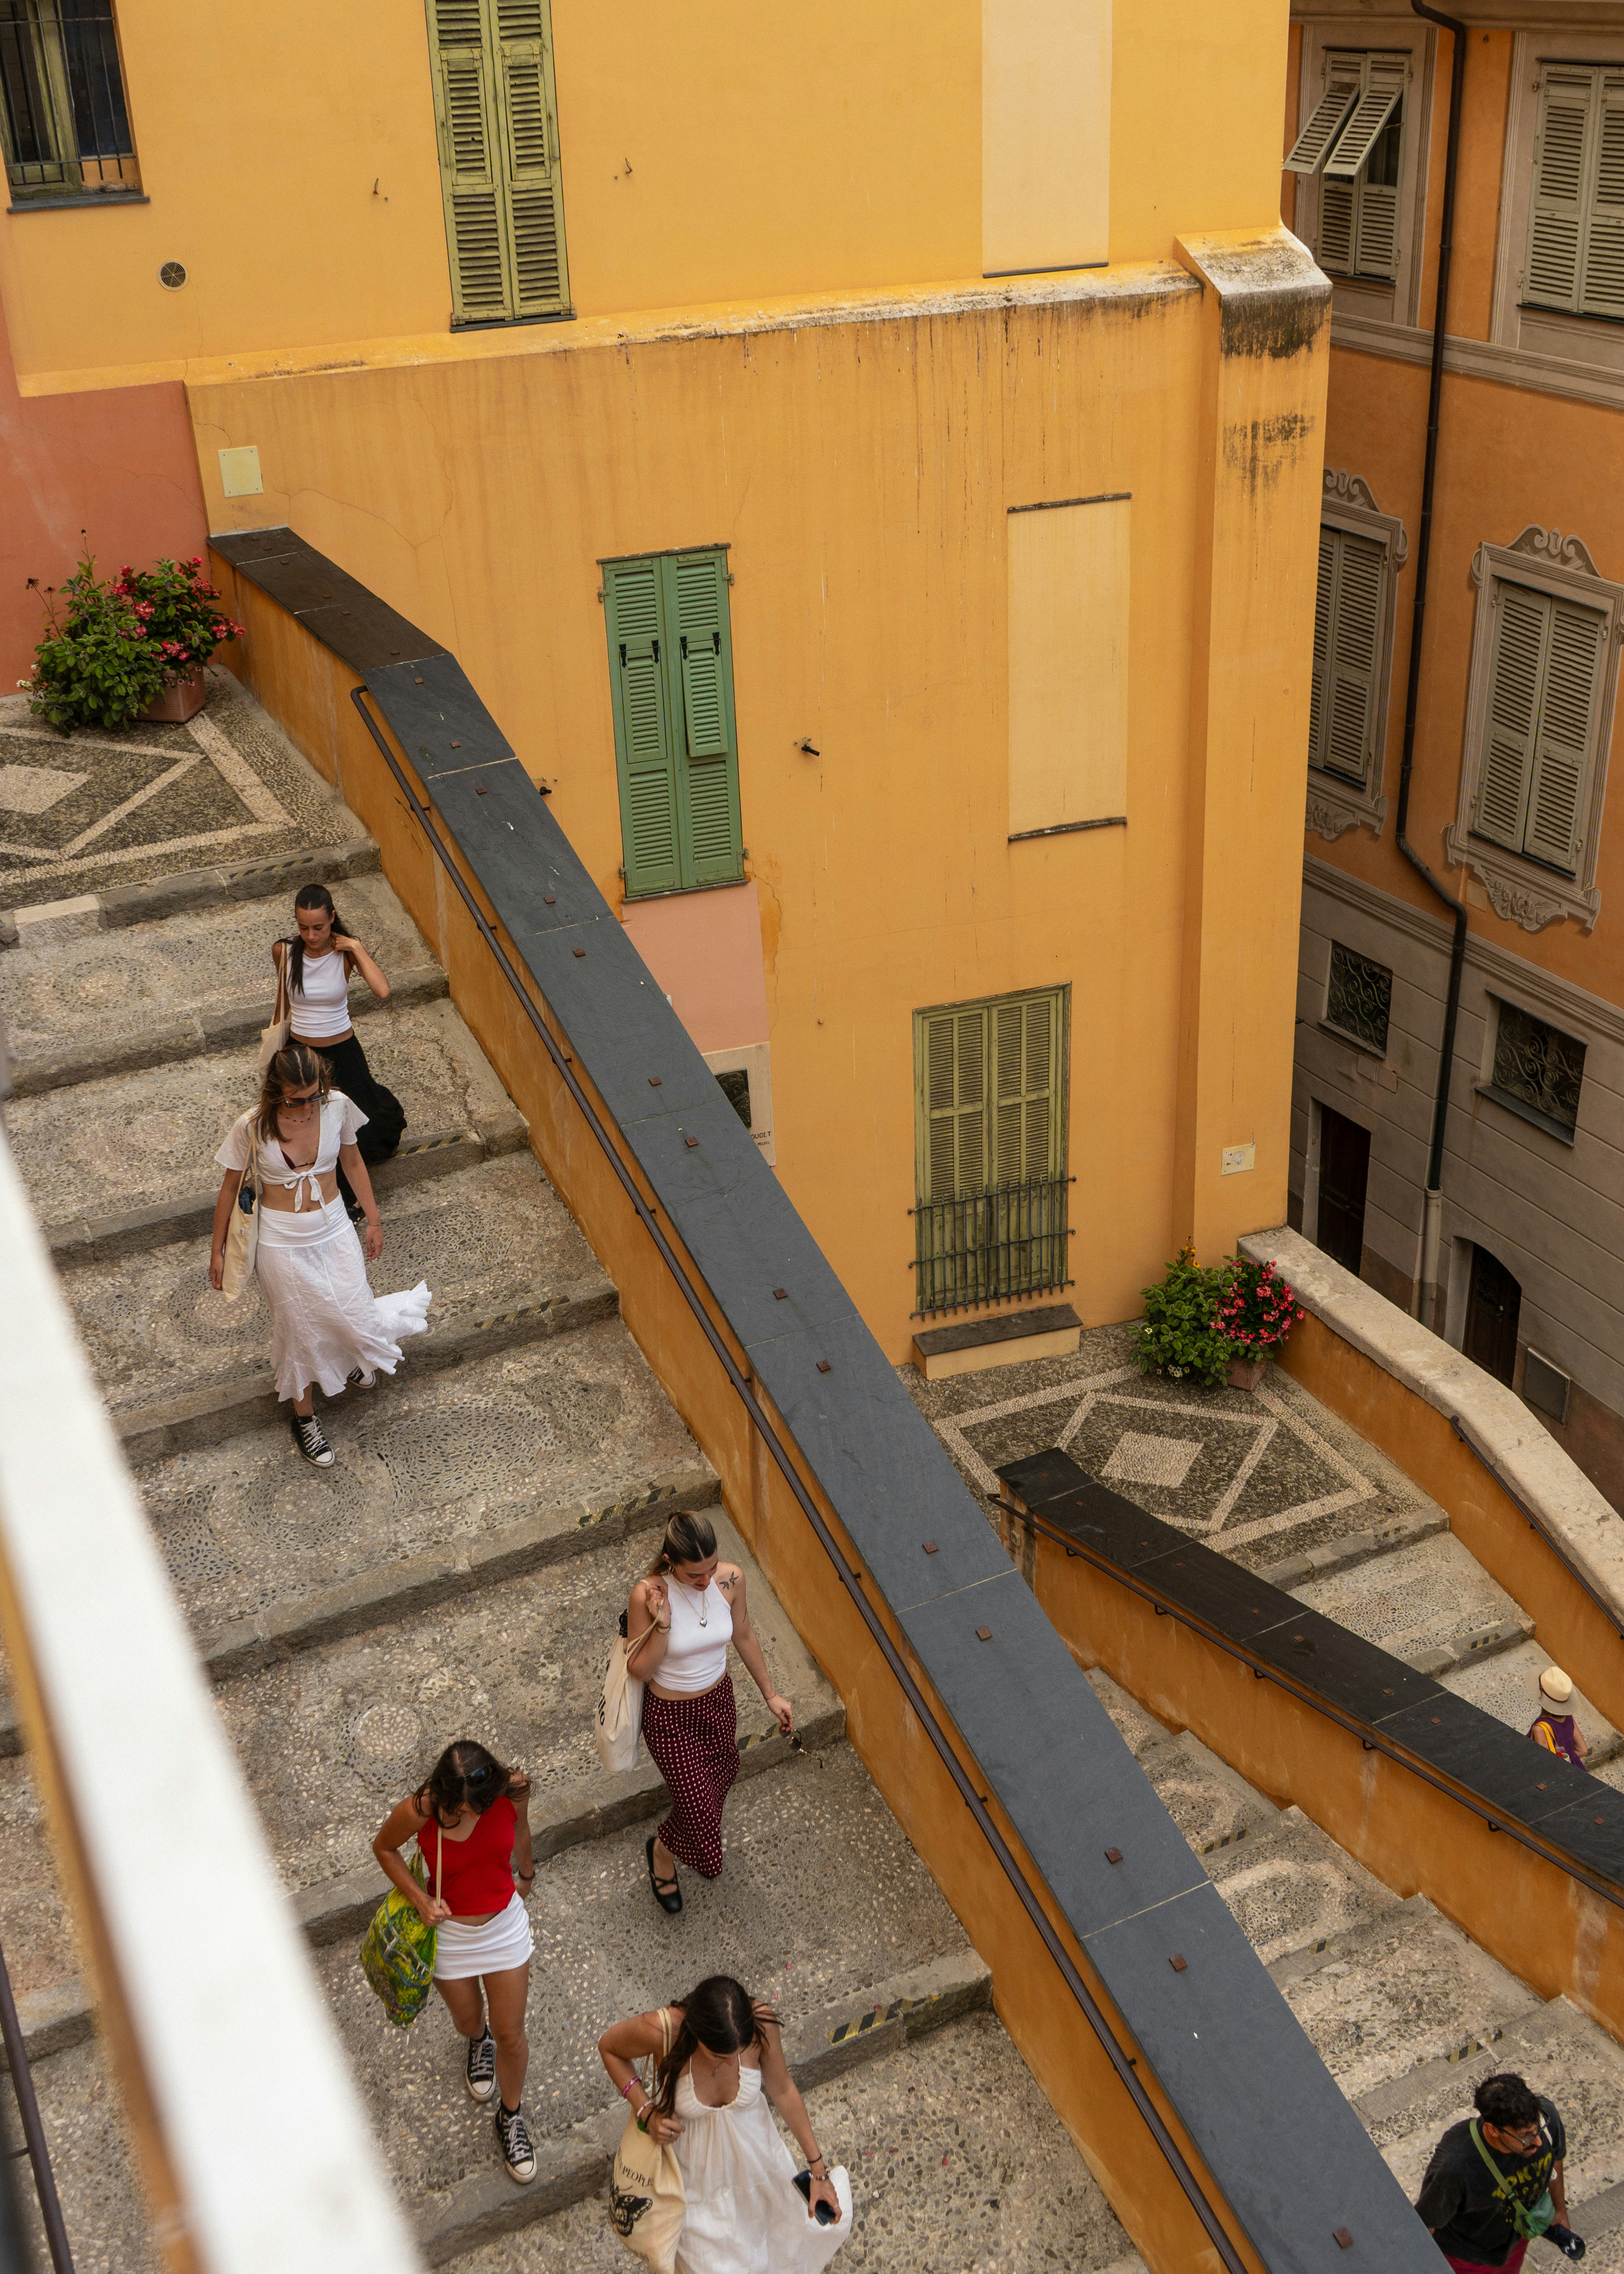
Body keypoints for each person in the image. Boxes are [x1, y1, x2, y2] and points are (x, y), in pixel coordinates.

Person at [208, 1043, 431, 1467]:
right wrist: (217, 1250)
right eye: (296, 1100)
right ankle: (305, 1418)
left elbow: (353, 1162)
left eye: (315, 1095)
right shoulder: (251, 1126)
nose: (308, 1107)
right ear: (276, 1092)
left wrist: (374, 1219)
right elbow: (229, 1188)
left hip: (335, 1228)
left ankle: (347, 1354)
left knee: (354, 1308)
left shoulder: (338, 1106)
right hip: (281, 1242)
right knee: (299, 1330)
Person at [598, 1975, 849, 2270]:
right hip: (693, 2182)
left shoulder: (762, 2021)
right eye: (719, 2056)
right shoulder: (663, 2029)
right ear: (697, 2034)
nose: (732, 2063)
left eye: (738, 2054)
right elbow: (609, 2048)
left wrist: (819, 2173)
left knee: (775, 2247)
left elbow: (783, 2090)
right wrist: (647, 2110)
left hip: (758, 2166)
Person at [372, 1741, 538, 2185]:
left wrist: (526, 1873)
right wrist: (420, 1899)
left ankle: (510, 2116)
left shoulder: (513, 1788)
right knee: (468, 2021)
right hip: (450, 1935)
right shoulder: (421, 1809)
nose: (472, 1813)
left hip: (503, 1928)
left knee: (512, 2034)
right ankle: (478, 2041)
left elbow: (521, 1829)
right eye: (462, 1807)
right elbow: (384, 1848)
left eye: (479, 1805)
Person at [625, 1511, 792, 1914]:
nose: (705, 1581)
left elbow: (744, 1633)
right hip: (670, 1719)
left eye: (711, 1568)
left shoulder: (732, 1579)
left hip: (718, 1704)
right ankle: (662, 1852)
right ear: (670, 1561)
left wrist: (770, 1694)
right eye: (694, 1574)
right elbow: (640, 1670)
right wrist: (662, 1625)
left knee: (725, 1773)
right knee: (700, 1806)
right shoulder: (648, 1593)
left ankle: (674, 1843)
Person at [274, 883, 406, 1222]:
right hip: (303, 1054)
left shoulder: (346, 953)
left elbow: (383, 991)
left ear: (333, 917)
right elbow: (284, 1005)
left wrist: (356, 947)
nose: (311, 935)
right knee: (310, 1123)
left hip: (343, 1051)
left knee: (360, 1123)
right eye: (304, 927)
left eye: (319, 927)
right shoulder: (284, 951)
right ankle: (333, 1194)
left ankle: (353, 1192)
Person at [1416, 2072, 1585, 2268]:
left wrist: (1560, 2210)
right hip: (1467, 2259)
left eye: (1538, 2129)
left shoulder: (1546, 2116)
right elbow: (1426, 2224)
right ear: (1494, 2130)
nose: (1539, 2141)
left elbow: (1556, 2155)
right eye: (1526, 2136)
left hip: (1515, 2243)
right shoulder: (1455, 2166)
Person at [1529, 1666, 1589, 1770]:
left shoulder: (1540, 1728)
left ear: (1541, 1691)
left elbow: (1544, 1765)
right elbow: (1583, 1750)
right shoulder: (1568, 1717)